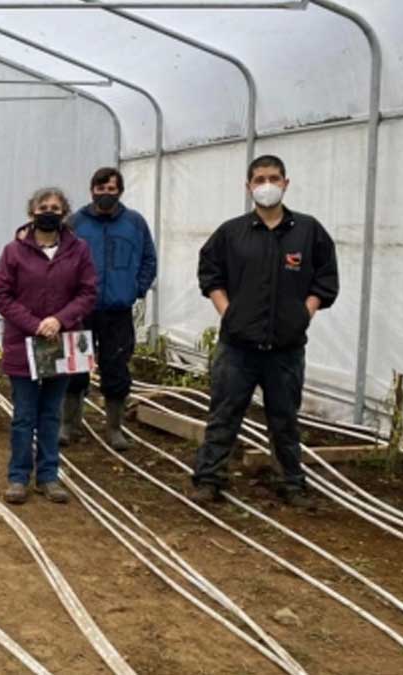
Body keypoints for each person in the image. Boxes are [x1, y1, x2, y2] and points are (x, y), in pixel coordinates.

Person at [191, 155, 339, 506]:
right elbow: (210, 273)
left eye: (273, 178)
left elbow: (325, 278)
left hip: (286, 348)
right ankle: (208, 479)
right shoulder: (232, 233)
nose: (267, 185)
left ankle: (291, 483)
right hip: (238, 347)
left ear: (286, 183)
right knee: (224, 414)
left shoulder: (308, 231)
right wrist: (228, 312)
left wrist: (304, 313)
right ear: (249, 187)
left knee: (284, 419)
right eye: (259, 179)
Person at [0, 188, 97, 504]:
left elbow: (88, 293)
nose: (49, 211)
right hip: (23, 343)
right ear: (32, 212)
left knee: (51, 413)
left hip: (61, 344)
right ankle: (18, 477)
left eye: (55, 207)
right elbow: (0, 295)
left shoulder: (79, 250)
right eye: (43, 207)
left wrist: (60, 320)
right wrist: (34, 323)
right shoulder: (13, 252)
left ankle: (49, 476)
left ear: (64, 212)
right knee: (24, 414)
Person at [61, 167, 157, 451]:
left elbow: (149, 259)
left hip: (118, 311)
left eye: (111, 189)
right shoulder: (75, 223)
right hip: (81, 310)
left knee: (116, 368)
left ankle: (115, 428)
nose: (105, 194)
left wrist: (136, 289)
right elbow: (60, 260)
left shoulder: (134, 223)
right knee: (75, 367)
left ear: (120, 191)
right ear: (92, 191)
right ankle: (69, 424)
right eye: (100, 189)